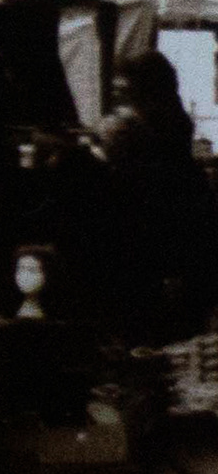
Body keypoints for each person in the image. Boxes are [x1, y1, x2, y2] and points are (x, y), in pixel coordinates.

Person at [94, 51, 217, 347]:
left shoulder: (143, 142)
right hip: (165, 272)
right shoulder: (162, 140)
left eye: (123, 94)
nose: (118, 104)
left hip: (156, 274)